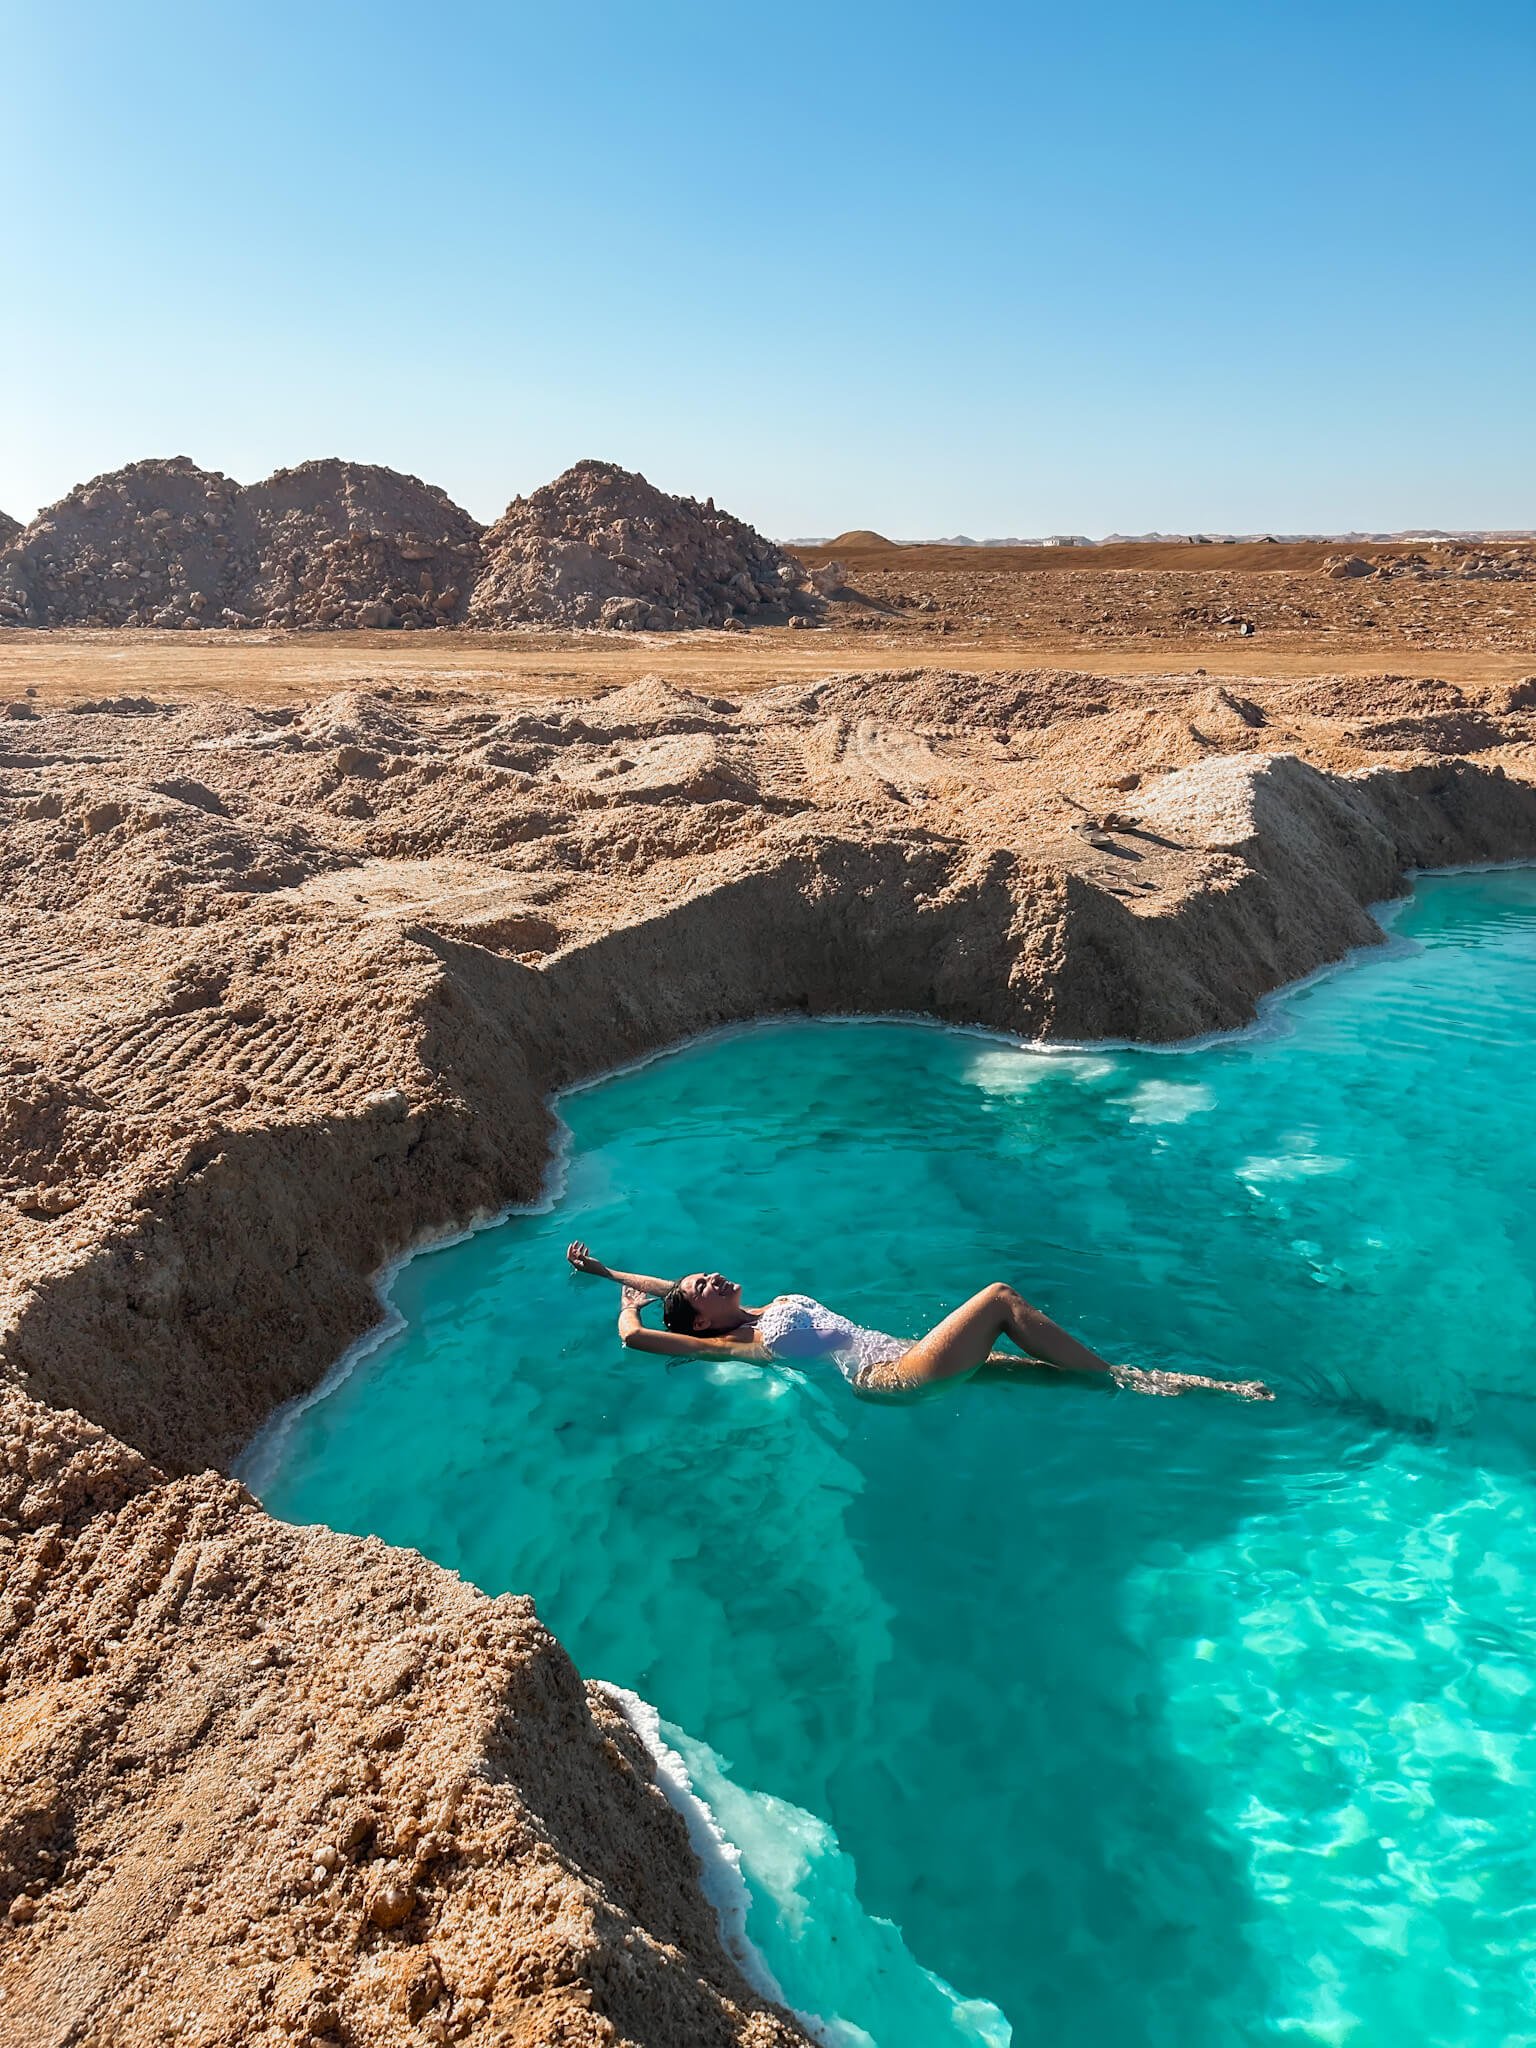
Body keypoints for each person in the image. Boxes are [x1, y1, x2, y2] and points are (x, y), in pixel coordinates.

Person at [564, 1242, 1273, 1400]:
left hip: (902, 1355)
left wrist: (608, 1272)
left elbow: (668, 1290)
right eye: (702, 1286)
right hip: (886, 1378)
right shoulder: (739, 1347)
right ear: (706, 1319)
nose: (708, 1275)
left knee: (1053, 1378)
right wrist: (623, 1310)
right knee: (999, 1299)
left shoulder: (747, 1308)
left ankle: (1175, 1385)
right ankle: (1129, 1378)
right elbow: (643, 1333)